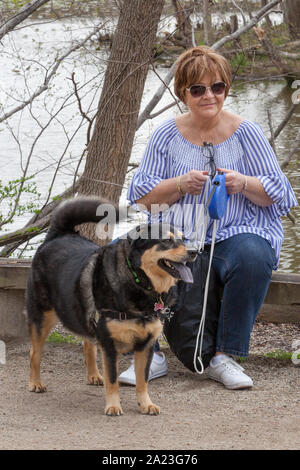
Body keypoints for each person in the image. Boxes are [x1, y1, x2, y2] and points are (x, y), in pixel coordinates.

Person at [118, 46, 298, 389]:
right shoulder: (165, 135)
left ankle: (224, 356)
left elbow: (283, 196)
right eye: (198, 89)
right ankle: (148, 355)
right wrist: (180, 184)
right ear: (183, 92)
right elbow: (141, 195)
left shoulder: (248, 134)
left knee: (253, 255)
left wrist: (244, 183)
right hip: (178, 234)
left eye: (217, 87)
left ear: (226, 88)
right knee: (123, 252)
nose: (209, 95)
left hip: (237, 230)